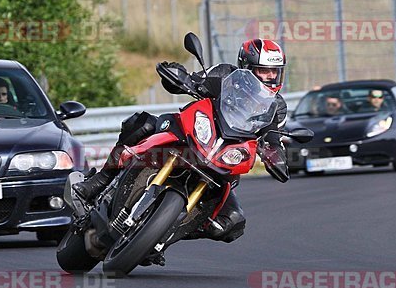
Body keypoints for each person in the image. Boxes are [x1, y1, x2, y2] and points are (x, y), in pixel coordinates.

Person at [73, 38, 290, 244]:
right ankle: (99, 181)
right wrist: (179, 76)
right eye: (264, 70)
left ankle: (162, 238)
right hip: (197, 134)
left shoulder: (276, 108)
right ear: (246, 67)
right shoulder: (225, 74)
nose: (269, 76)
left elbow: (273, 138)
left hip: (225, 159)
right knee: (141, 124)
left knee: (232, 221)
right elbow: (197, 81)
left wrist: (276, 156)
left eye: (275, 72)